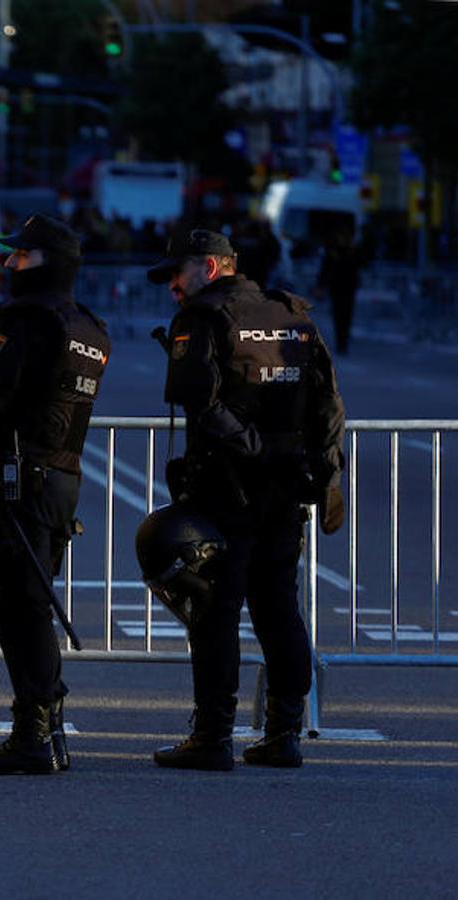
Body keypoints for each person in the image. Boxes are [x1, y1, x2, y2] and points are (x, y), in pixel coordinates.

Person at [147, 227, 346, 770]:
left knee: (215, 612)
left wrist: (252, 448)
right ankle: (284, 734)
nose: (171, 287)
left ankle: (212, 737)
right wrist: (324, 471)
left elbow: (199, 402)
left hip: (226, 486)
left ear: (210, 268)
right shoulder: (291, 313)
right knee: (278, 606)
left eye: (176, 273)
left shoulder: (204, 318)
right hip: (285, 486)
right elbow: (328, 403)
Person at [0, 213, 110, 775]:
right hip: (62, 480)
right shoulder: (88, 327)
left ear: (49, 262)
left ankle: (34, 734)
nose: (10, 263)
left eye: (22, 255)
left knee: (21, 610)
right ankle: (45, 731)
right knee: (32, 603)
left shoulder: (27, 319)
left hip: (22, 478)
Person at [316, 226, 362, 355]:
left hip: (348, 287)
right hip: (336, 287)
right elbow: (325, 269)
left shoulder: (352, 251)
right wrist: (320, 285)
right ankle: (340, 341)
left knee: (346, 315)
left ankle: (343, 341)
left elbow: (359, 264)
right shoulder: (332, 252)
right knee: (338, 314)